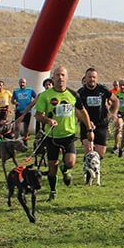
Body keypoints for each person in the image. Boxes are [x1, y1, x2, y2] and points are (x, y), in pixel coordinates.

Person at [34, 66, 94, 201]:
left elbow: (83, 112)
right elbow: (37, 115)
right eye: (57, 75)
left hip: (68, 136)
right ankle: (53, 191)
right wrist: (48, 120)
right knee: (51, 168)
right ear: (53, 77)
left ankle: (66, 170)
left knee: (71, 162)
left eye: (62, 75)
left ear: (66, 78)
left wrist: (89, 129)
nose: (60, 78)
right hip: (52, 136)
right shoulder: (45, 95)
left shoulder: (74, 95)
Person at [77, 67, 119, 158]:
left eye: (94, 77)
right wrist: (85, 120)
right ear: (85, 78)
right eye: (89, 77)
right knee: (89, 151)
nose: (92, 79)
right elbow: (77, 110)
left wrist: (112, 113)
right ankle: (88, 170)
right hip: (86, 124)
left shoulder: (102, 90)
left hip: (101, 124)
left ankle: (95, 170)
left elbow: (115, 101)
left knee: (100, 154)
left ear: (96, 78)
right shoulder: (80, 92)